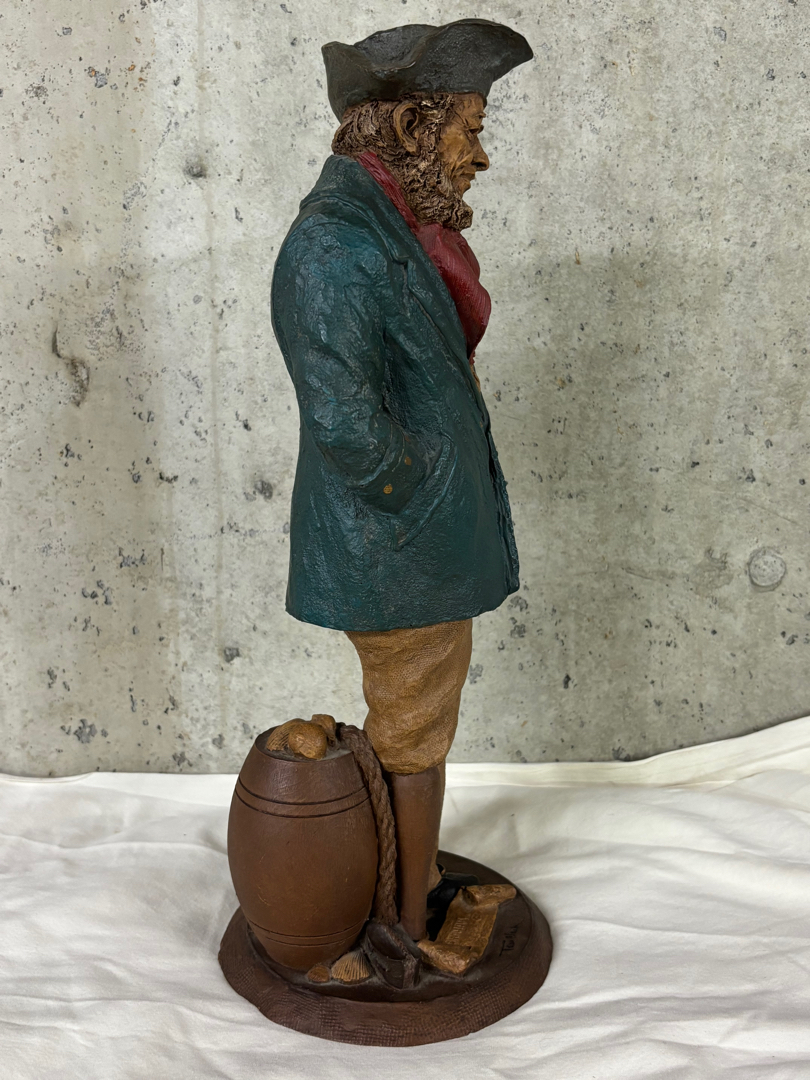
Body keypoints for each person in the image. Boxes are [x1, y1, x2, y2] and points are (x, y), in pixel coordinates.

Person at [271, 18, 532, 943]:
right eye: (469, 129)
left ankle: (406, 890)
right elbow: (344, 422)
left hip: (418, 540)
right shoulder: (335, 244)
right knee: (414, 738)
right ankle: (404, 928)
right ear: (413, 130)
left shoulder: (394, 228)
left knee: (418, 730)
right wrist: (419, 496)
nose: (479, 156)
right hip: (398, 547)